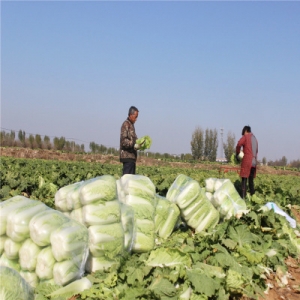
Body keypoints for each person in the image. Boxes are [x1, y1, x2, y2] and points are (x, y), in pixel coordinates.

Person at [236, 125, 258, 198]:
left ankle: (243, 198)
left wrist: (237, 153)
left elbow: (239, 144)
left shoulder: (246, 137)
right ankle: (253, 197)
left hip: (247, 161)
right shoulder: (255, 139)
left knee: (244, 179)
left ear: (245, 131)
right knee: (251, 181)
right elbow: (256, 151)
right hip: (254, 162)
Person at [119, 106, 141, 175]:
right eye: (136, 116)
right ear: (131, 115)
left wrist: (140, 143)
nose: (136, 119)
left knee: (131, 180)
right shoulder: (126, 124)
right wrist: (133, 144)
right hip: (127, 157)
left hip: (132, 158)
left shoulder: (131, 125)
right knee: (127, 180)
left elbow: (134, 138)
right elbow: (124, 141)